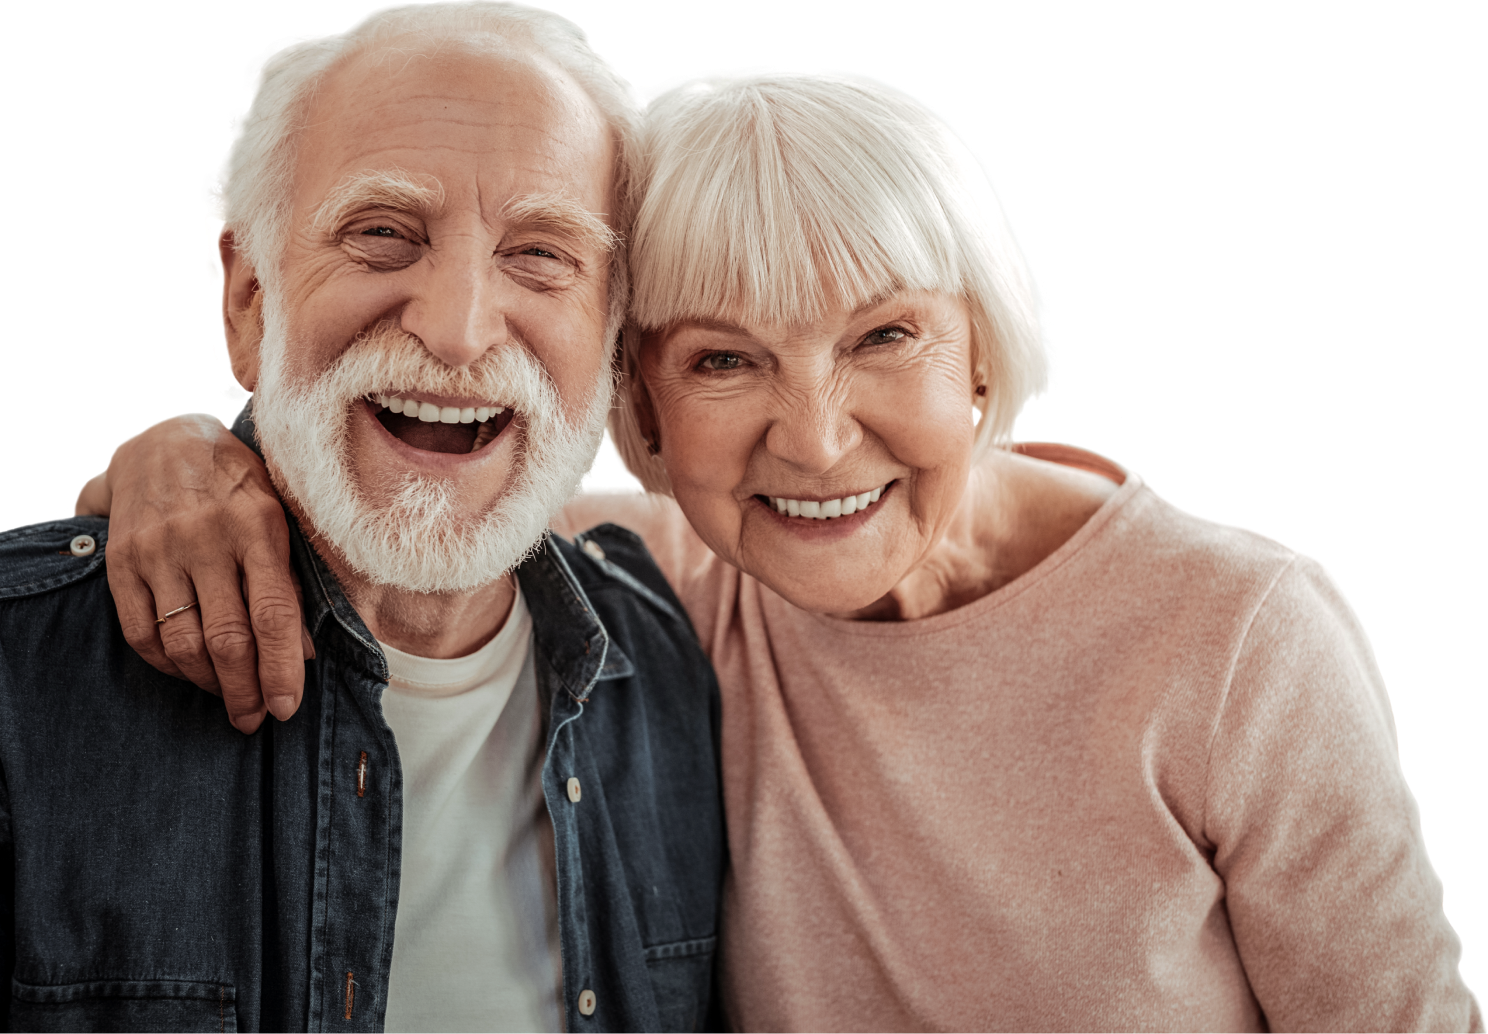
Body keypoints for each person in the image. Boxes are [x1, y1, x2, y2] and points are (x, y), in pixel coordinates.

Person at [77, 59, 1480, 1033]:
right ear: (637, 409)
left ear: (984, 353)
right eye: (726, 360)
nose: (813, 442)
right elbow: (378, 490)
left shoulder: (1239, 631)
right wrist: (188, 454)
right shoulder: (650, 578)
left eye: (885, 337)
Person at [0, 5, 726, 1032]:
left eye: (541, 254)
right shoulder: (20, 673)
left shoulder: (686, 664)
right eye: (382, 235)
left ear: (613, 336)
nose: (460, 329)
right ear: (249, 297)